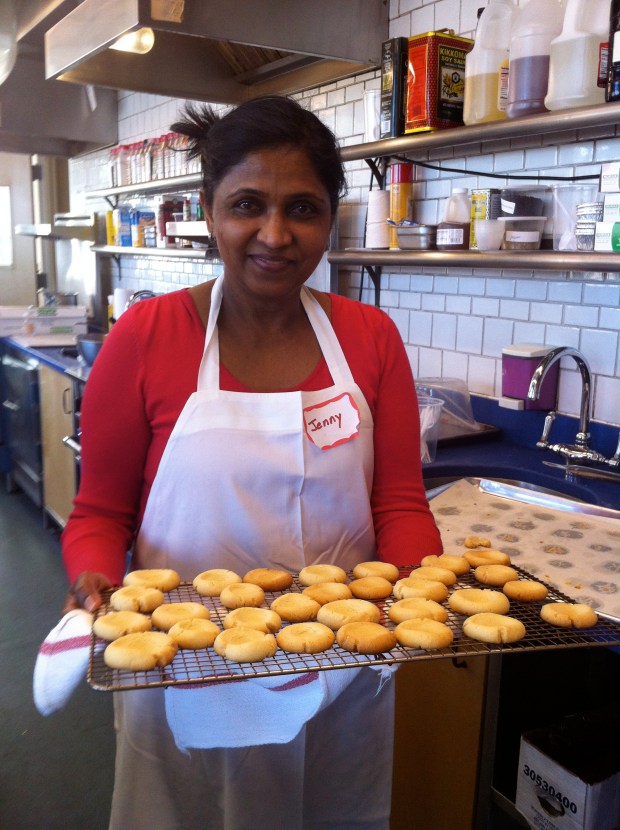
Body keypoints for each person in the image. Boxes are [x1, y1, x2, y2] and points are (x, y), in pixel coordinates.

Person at [61, 95, 442, 829]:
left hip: (340, 669)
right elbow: (100, 515)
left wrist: (425, 599)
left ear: (331, 218)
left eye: (302, 208)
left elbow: (398, 504)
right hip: (184, 671)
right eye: (247, 205)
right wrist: (92, 579)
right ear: (209, 210)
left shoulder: (370, 338)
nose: (275, 234)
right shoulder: (148, 335)